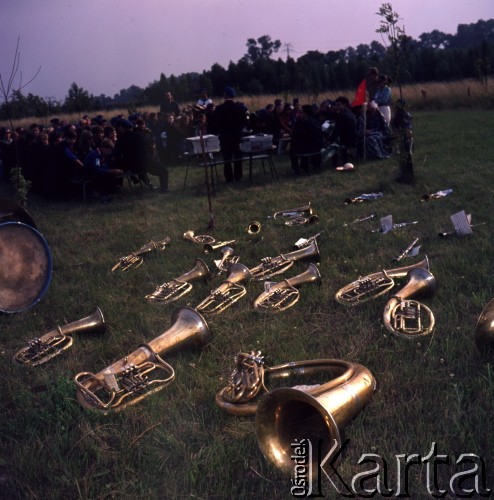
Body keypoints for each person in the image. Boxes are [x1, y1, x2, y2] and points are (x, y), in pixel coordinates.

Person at [209, 86, 248, 182]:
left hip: (225, 136)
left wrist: (219, 131)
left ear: (225, 95)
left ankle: (229, 178)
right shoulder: (239, 108)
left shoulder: (219, 109)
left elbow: (214, 123)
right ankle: (238, 176)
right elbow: (244, 122)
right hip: (237, 135)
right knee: (238, 156)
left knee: (227, 158)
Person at [289, 104, 324, 174]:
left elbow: (297, 136)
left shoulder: (303, 123)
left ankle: (296, 169)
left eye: (301, 112)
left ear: (305, 113)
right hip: (318, 146)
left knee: (292, 150)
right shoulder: (316, 121)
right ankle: (312, 165)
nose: (300, 114)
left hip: (309, 147)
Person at [329, 96, 358, 168]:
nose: (337, 106)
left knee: (333, 145)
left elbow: (337, 130)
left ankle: (335, 164)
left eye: (339, 104)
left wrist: (330, 140)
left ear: (344, 105)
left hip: (347, 140)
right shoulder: (350, 113)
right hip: (354, 137)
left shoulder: (343, 115)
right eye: (336, 105)